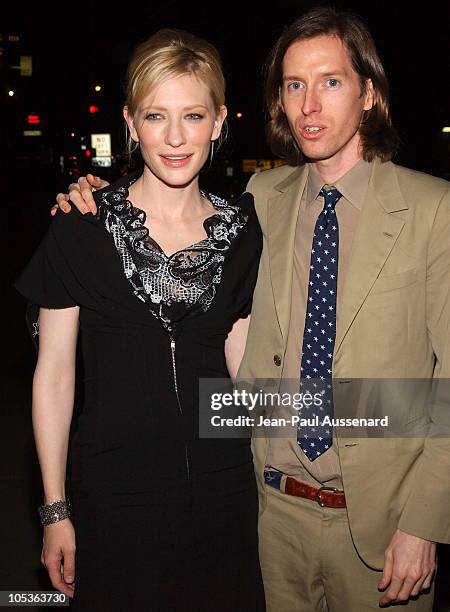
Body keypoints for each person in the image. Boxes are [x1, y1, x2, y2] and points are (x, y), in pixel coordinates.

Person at [60, 6, 450, 611]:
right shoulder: (259, 203)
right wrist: (97, 196)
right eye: (294, 85)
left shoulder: (434, 208)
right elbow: (175, 217)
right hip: (268, 520)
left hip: (381, 529)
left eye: (331, 81)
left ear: (369, 92)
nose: (309, 105)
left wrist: (424, 523)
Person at [15, 29, 265, 611]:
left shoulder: (246, 231)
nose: (175, 138)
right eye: (156, 116)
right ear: (131, 123)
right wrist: (56, 509)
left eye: (194, 115)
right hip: (113, 498)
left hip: (226, 496)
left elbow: (245, 370)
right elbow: (53, 376)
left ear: (220, 121)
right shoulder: (81, 225)